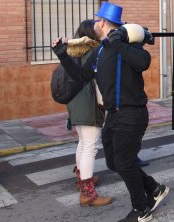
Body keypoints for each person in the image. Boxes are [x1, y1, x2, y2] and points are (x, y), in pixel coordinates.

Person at [52, 2, 169, 222]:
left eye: (96, 20)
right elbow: (82, 76)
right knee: (114, 163)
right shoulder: (99, 51)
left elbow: (144, 62)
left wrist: (119, 44)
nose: (94, 23)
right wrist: (63, 56)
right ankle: (154, 188)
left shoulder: (125, 44)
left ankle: (141, 209)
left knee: (125, 163)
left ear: (102, 22)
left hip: (132, 114)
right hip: (113, 115)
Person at [64, 20, 112, 207]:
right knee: (90, 146)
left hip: (75, 101)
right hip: (89, 102)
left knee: (84, 143)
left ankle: (82, 178)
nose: (101, 27)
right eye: (97, 26)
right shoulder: (95, 51)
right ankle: (87, 193)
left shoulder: (74, 50)